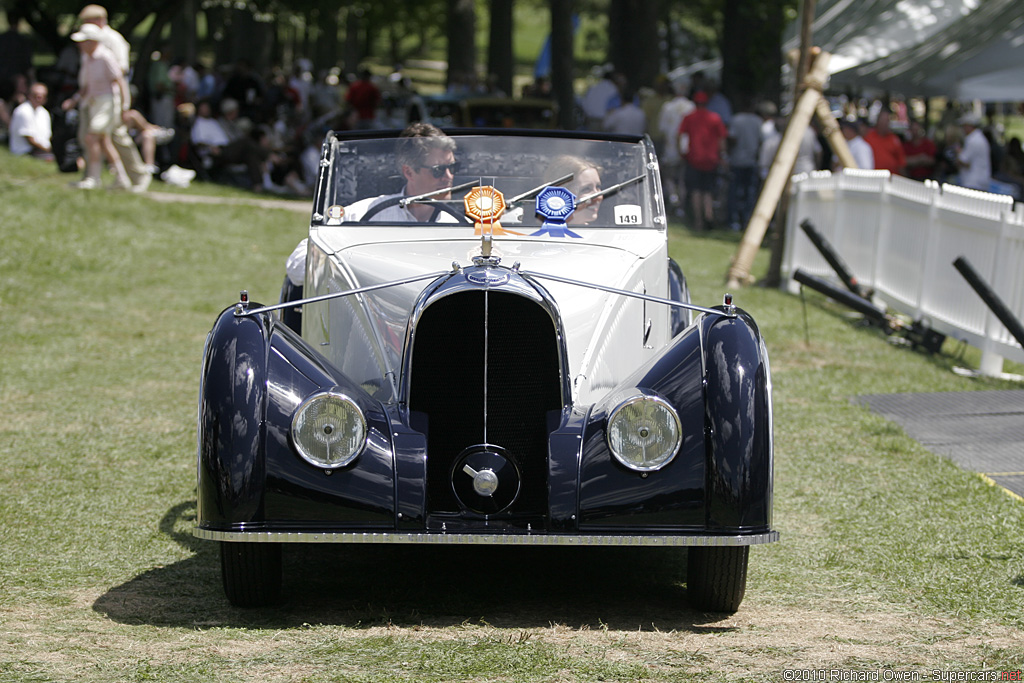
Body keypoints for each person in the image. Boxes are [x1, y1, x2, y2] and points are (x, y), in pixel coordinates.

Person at [285, 123, 458, 286]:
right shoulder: (364, 215)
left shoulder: (458, 227)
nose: (449, 176)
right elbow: (297, 267)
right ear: (409, 172)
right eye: (438, 170)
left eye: (452, 167)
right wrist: (355, 261)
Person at [76, 5, 151, 191]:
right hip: (93, 97)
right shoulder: (89, 38)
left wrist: (124, 104)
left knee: (116, 137)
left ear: (100, 20)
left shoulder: (113, 40)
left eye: (88, 22)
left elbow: (120, 73)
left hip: (110, 99)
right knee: (88, 136)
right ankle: (92, 176)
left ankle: (137, 175)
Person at [62, 23, 131, 190]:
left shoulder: (105, 56)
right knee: (104, 141)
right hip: (93, 102)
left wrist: (125, 105)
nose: (80, 44)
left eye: (84, 41)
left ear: (93, 41)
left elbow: (119, 80)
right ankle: (122, 179)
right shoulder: (87, 58)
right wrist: (75, 100)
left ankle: (93, 178)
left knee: (92, 137)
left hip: (107, 102)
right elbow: (87, 86)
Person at [678, 91, 727, 231]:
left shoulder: (689, 118)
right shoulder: (715, 118)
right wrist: (722, 155)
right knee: (708, 191)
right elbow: (721, 139)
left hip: (693, 158)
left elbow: (681, 137)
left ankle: (698, 221)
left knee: (695, 191)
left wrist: (682, 153)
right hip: (711, 159)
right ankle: (709, 216)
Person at [726, 98, 762, 231]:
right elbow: (760, 141)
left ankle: (733, 220)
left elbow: (732, 139)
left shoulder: (736, 120)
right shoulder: (758, 121)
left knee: (734, 192)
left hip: (737, 160)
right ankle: (747, 220)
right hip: (751, 161)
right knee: (749, 194)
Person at [543, 155, 603, 225]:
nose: (598, 197)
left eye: (598, 187)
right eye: (586, 189)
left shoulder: (602, 232)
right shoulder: (542, 233)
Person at [9, 82, 53, 160]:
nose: (39, 98)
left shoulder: (44, 113)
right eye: (36, 95)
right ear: (29, 95)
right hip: (25, 151)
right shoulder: (23, 111)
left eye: (42, 96)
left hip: (42, 150)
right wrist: (49, 150)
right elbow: (30, 140)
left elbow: (47, 137)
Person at [956, 113, 992, 192]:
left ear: (969, 126)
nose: (963, 129)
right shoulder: (980, 138)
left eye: (964, 126)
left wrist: (958, 152)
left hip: (973, 182)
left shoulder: (972, 140)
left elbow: (963, 161)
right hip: (980, 182)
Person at [864, 110, 906, 175]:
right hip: (874, 177)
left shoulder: (894, 139)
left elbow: (901, 161)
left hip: (892, 178)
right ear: (878, 122)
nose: (885, 123)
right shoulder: (869, 137)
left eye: (887, 121)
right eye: (883, 120)